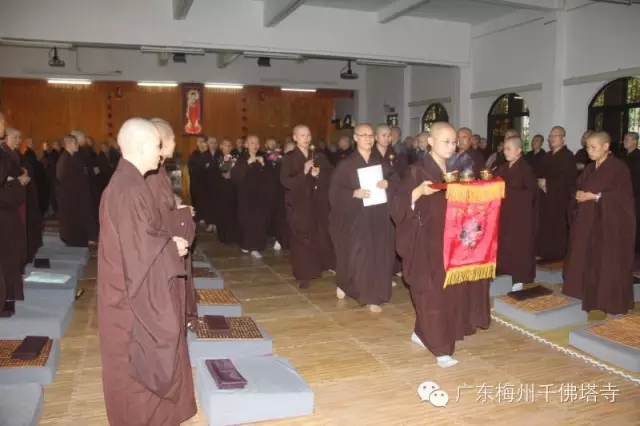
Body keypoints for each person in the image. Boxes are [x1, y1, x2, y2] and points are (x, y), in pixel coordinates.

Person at [97, 118, 194, 425]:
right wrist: (172, 249)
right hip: (128, 301)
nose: (161, 153)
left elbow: (145, 236)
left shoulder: (131, 183)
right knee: (137, 369)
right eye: (156, 146)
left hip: (127, 288)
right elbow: (139, 256)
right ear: (140, 147)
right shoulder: (128, 190)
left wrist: (167, 243)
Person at [391, 122, 491, 368]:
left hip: (450, 242)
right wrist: (418, 192)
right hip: (425, 242)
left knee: (446, 294)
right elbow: (397, 205)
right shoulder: (416, 170)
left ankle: (422, 332)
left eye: (453, 142)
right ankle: (441, 349)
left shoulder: (454, 172)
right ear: (430, 142)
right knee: (431, 293)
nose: (450, 146)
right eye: (445, 141)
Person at [562, 131, 635, 315]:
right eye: (588, 147)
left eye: (594, 147)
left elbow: (623, 198)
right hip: (587, 221)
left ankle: (604, 300)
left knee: (604, 262)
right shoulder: (590, 168)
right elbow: (577, 185)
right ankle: (582, 292)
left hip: (607, 224)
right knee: (583, 255)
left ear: (606, 147)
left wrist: (596, 197)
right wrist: (578, 194)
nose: (590, 151)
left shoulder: (619, 168)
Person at [329, 124, 395, 313]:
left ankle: (374, 292)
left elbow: (395, 180)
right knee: (359, 256)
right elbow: (334, 192)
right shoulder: (347, 163)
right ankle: (366, 296)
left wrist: (388, 183)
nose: (368, 138)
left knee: (378, 255)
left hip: (378, 216)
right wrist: (353, 193)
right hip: (356, 217)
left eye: (370, 135)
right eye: (363, 135)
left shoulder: (379, 161)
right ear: (356, 138)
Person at [280, 125, 335, 289]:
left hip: (315, 202)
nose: (306, 138)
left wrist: (318, 175)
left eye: (308, 135)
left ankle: (315, 269)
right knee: (301, 239)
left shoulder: (317, 155)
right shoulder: (289, 158)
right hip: (298, 204)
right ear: (295, 138)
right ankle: (303, 274)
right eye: (302, 135)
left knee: (316, 235)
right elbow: (285, 181)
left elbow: (330, 174)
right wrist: (303, 172)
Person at [495, 137, 537, 291]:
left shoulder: (526, 169)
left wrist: (508, 192)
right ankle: (504, 270)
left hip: (520, 216)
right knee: (504, 243)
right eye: (504, 149)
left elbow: (531, 193)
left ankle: (520, 277)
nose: (505, 152)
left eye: (509, 149)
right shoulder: (502, 168)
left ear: (519, 150)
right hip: (504, 213)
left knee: (519, 245)